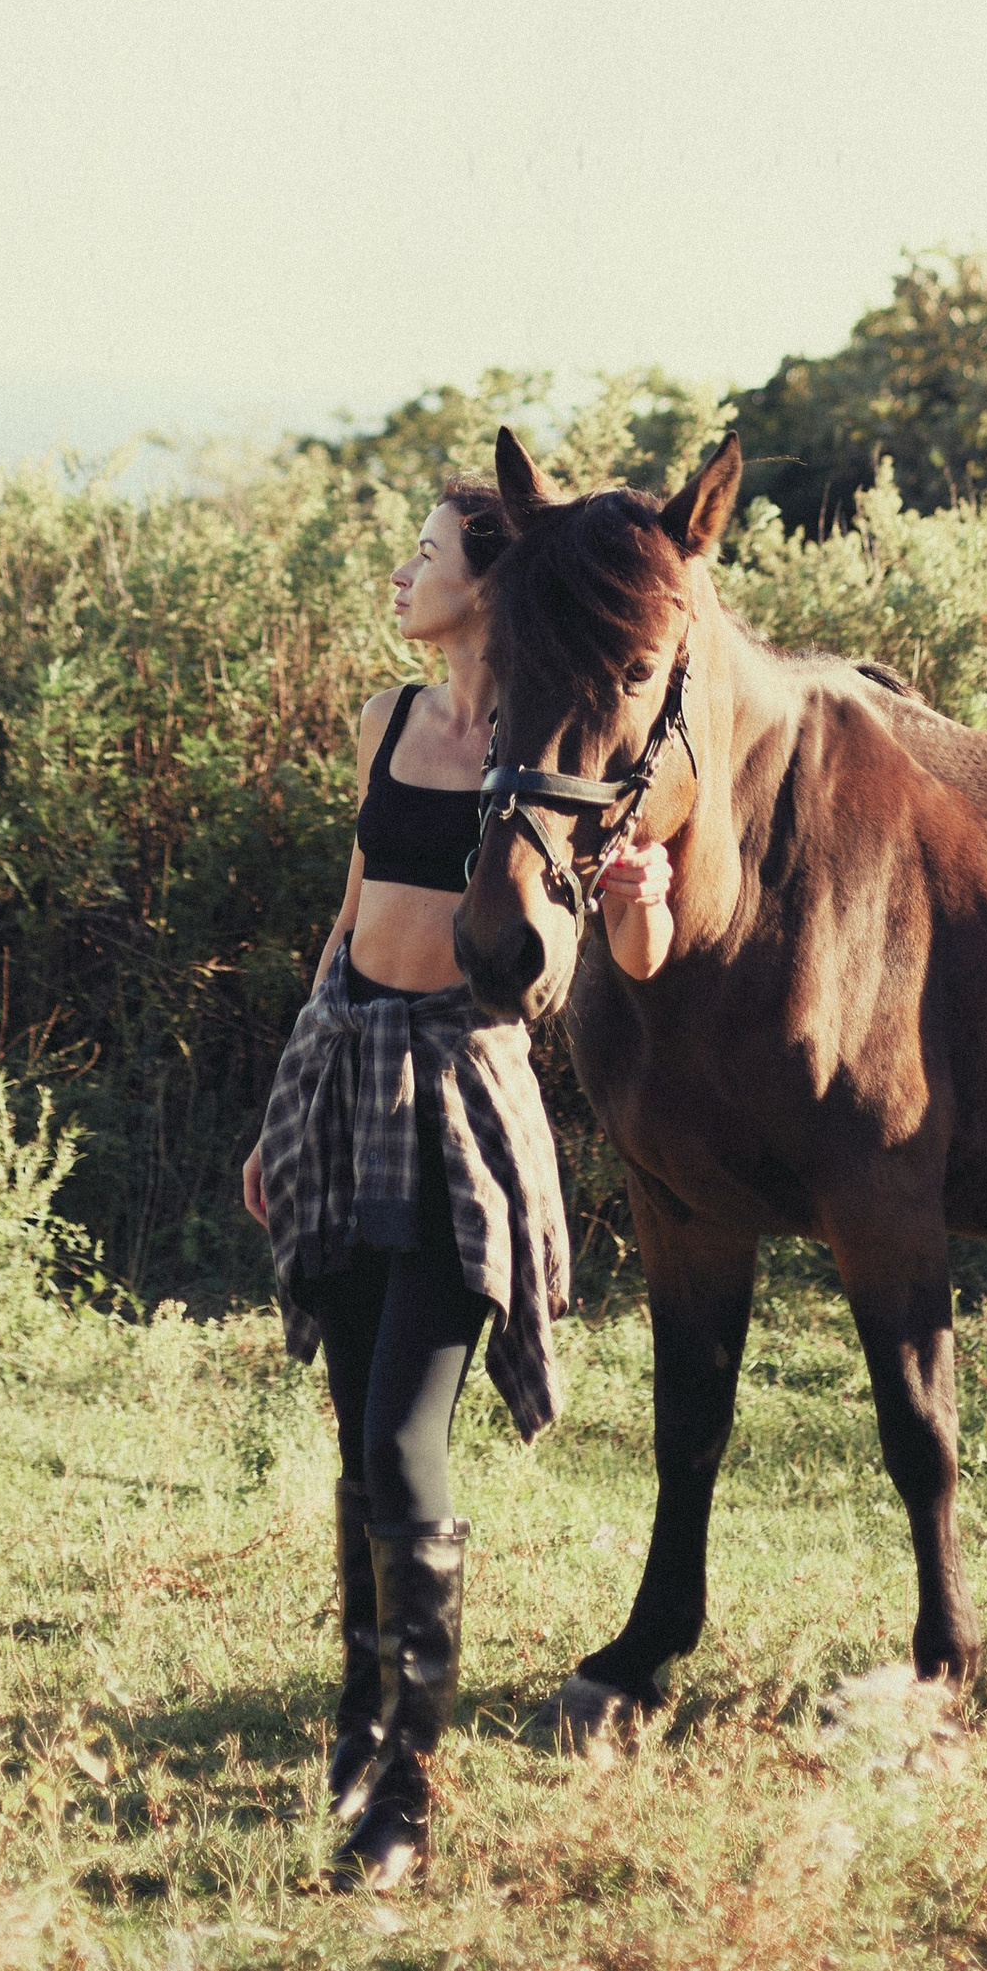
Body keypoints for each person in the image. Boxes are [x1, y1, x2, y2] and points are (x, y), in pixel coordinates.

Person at [241, 480, 674, 1890]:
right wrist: (278, 1105)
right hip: (342, 1070)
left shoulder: (541, 741)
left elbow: (635, 945)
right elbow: (353, 905)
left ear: (487, 582)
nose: (402, 571)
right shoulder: (387, 720)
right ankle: (360, 1730)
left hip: (459, 1106)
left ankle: (409, 1803)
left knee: (401, 1437)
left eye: (424, 553)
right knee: (349, 1430)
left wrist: (642, 907)